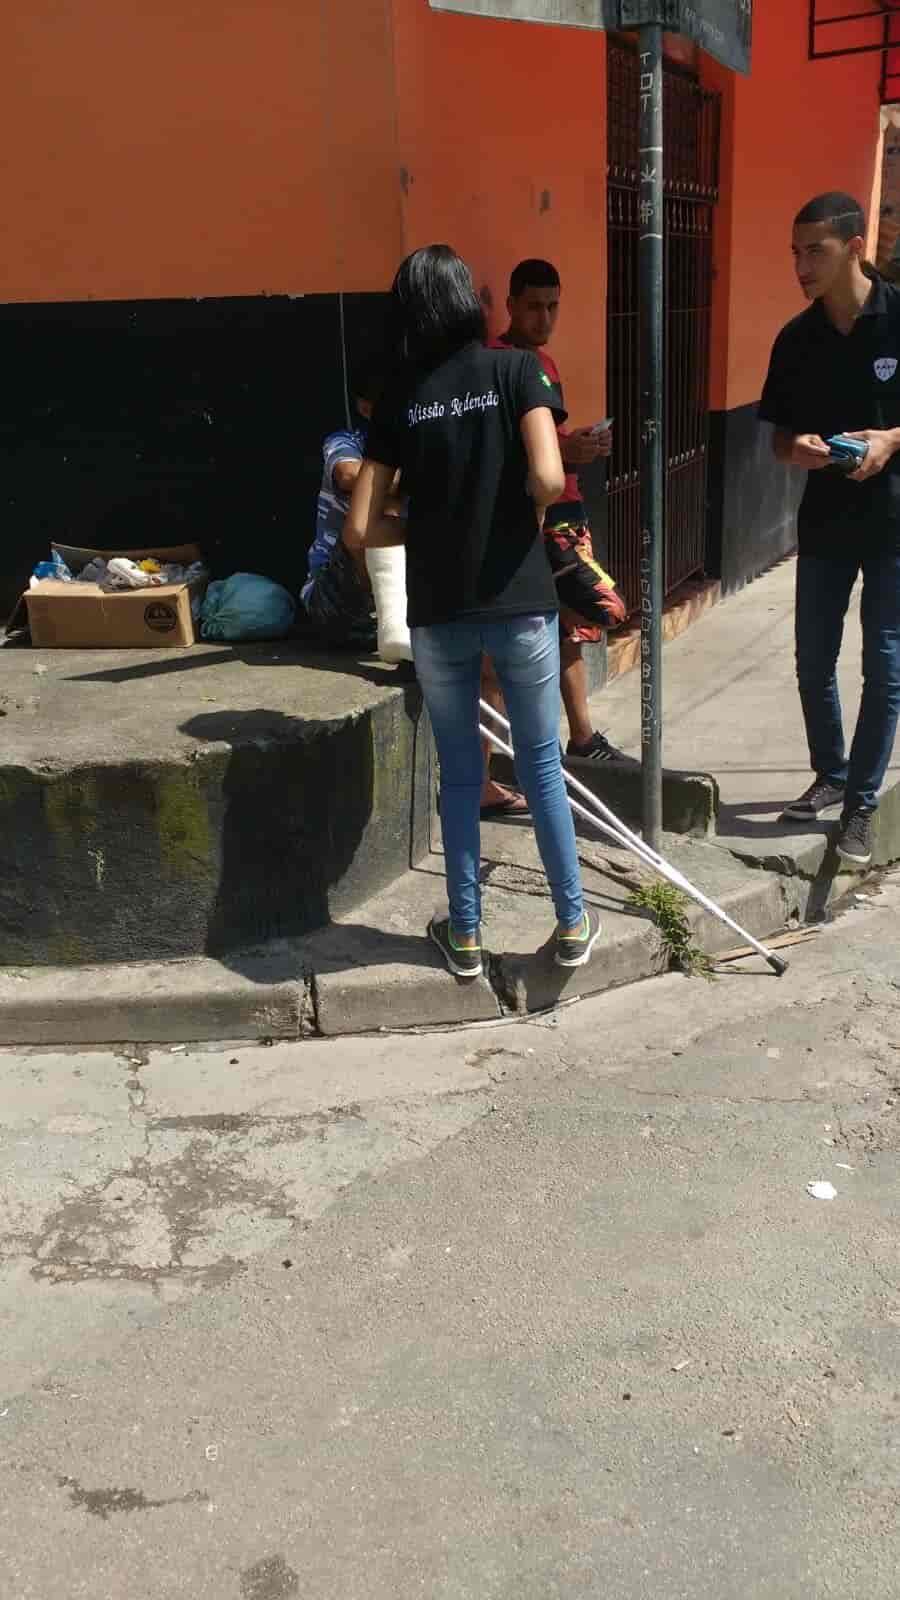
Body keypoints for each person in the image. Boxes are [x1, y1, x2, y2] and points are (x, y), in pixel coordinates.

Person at [348, 244, 602, 976]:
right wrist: (504, 511)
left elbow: (360, 528)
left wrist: (429, 528)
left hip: (439, 612)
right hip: (520, 601)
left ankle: (464, 934)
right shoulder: (518, 370)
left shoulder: (400, 396)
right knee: (542, 764)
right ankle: (572, 922)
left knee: (460, 775)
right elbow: (549, 478)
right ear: (470, 300)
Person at [759, 192, 900, 867]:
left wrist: (892, 440)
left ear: (855, 247)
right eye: (796, 252)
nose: (802, 266)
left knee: (885, 666)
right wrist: (801, 450)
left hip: (894, 523)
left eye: (815, 250)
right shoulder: (797, 339)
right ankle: (832, 771)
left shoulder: (898, 317)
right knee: (813, 659)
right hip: (824, 523)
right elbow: (779, 438)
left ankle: (861, 805)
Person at [488, 258, 629, 765]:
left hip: (568, 510)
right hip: (540, 520)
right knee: (605, 608)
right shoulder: (499, 362)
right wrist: (570, 450)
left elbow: (550, 438)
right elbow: (514, 446)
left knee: (570, 631)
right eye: (534, 307)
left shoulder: (544, 363)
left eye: (553, 307)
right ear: (510, 305)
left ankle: (583, 739)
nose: (544, 318)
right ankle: (515, 756)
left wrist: (580, 444)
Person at [301, 366, 405, 651]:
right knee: (385, 509)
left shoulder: (417, 443)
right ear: (366, 408)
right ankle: (394, 626)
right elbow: (347, 474)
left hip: (403, 608)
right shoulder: (346, 441)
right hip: (334, 602)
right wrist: (410, 478)